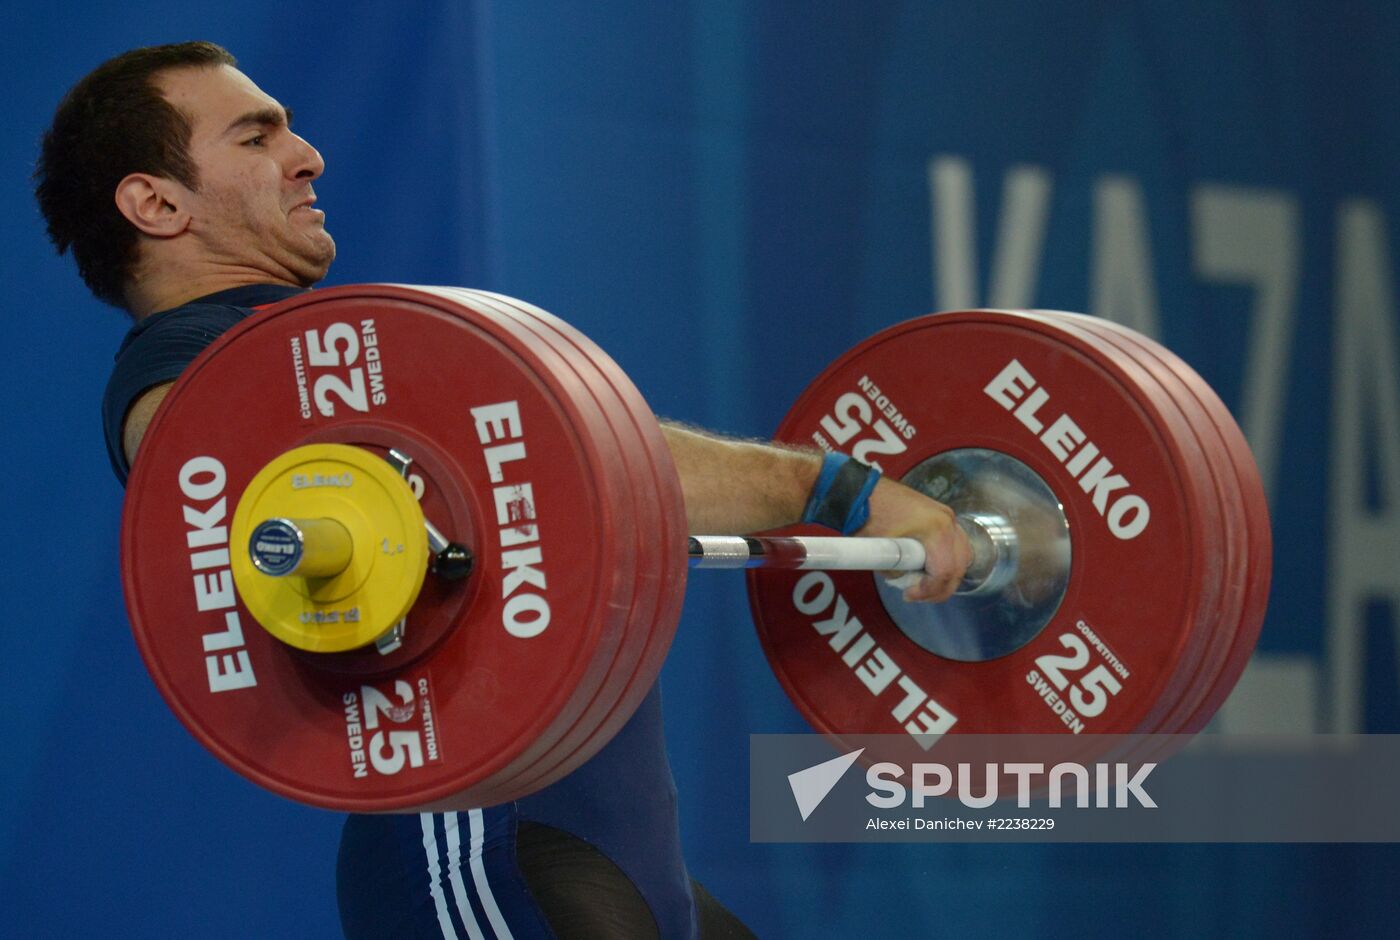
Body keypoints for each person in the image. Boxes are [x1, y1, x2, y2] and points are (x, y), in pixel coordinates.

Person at [36, 42, 971, 940]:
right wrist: (836, 488)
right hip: (474, 842)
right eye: (255, 136)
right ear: (156, 203)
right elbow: (208, 473)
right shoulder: (188, 377)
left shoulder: (328, 360)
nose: (306, 155)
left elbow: (592, 461)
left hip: (609, 846)